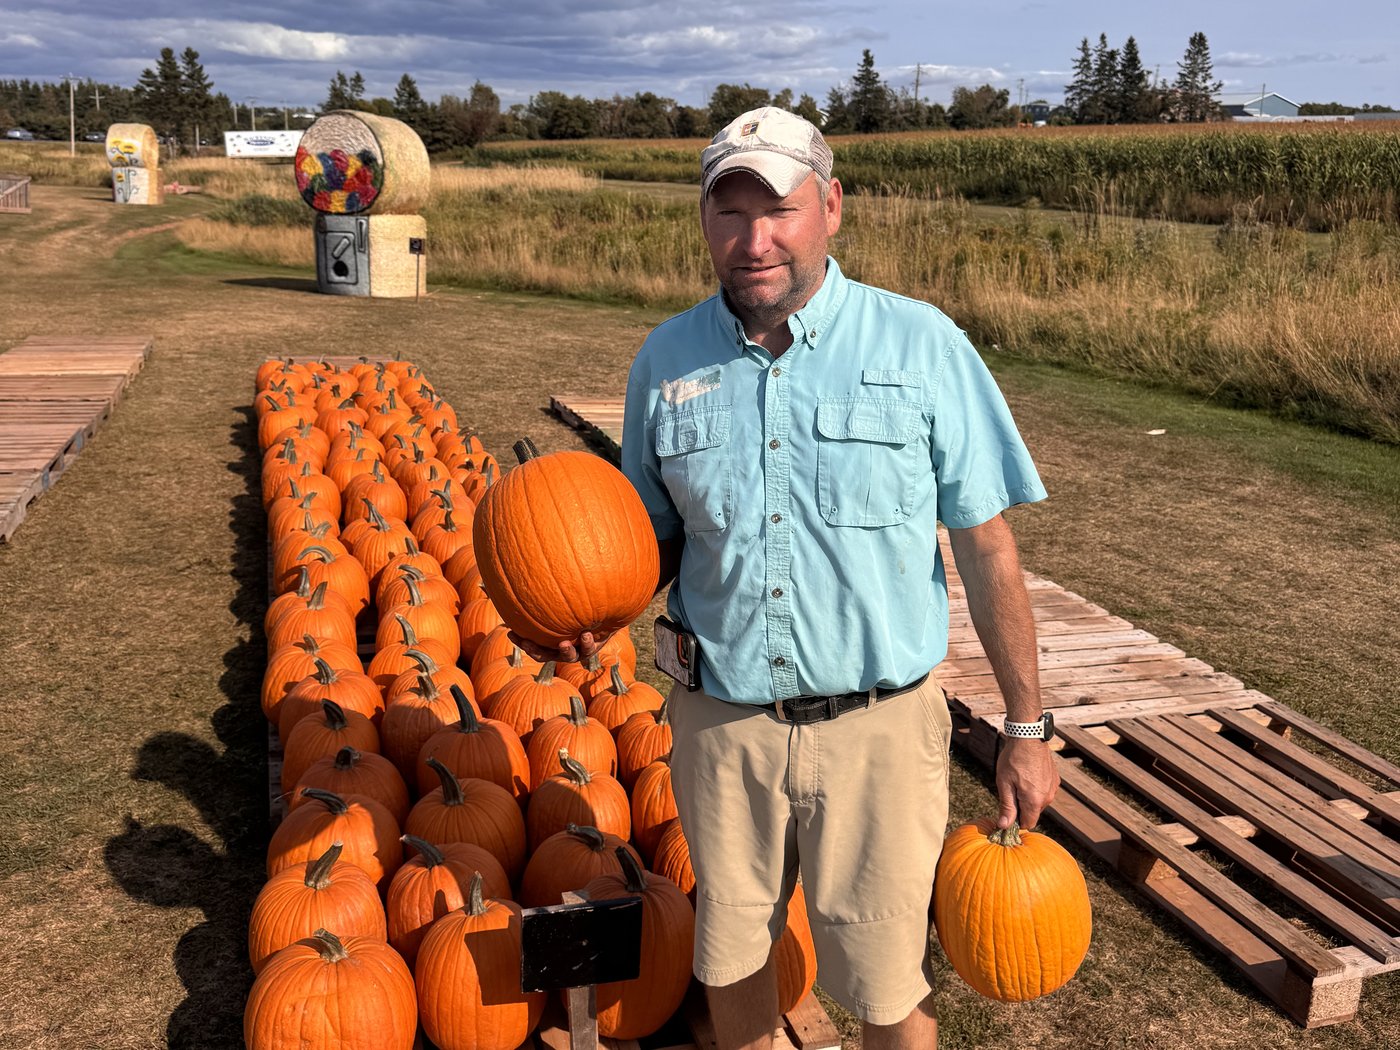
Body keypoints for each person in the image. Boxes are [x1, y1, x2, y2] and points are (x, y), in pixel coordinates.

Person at [570, 106, 1057, 1050]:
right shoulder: (666, 361)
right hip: (722, 729)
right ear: (704, 221)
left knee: (886, 984)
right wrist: (595, 603)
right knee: (732, 962)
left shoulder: (921, 345)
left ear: (830, 207)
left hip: (880, 734)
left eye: (779, 210)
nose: (754, 241)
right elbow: (653, 541)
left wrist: (1026, 729)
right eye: (730, 213)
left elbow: (988, 546)